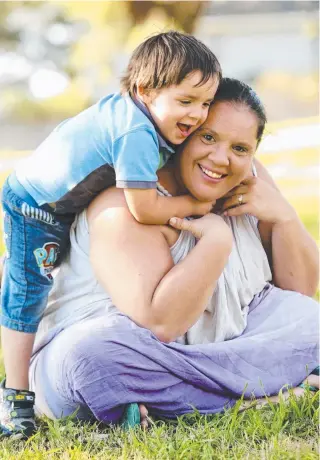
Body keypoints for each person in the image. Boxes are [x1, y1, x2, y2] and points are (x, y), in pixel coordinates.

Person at [28, 78, 319, 428]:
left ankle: (173, 402)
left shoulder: (250, 183)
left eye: (240, 148)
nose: (221, 159)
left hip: (223, 346)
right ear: (183, 133)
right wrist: (215, 243)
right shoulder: (128, 204)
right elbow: (161, 324)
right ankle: (258, 396)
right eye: (208, 137)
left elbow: (298, 294)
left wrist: (284, 216)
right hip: (124, 353)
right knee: (91, 358)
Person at [0, 31, 221, 437]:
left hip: (63, 203)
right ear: (144, 90)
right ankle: (15, 397)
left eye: (205, 102)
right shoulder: (134, 132)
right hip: (35, 207)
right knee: (27, 293)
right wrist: (195, 206)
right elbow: (144, 208)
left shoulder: (143, 117)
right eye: (186, 101)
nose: (198, 114)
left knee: (57, 279)